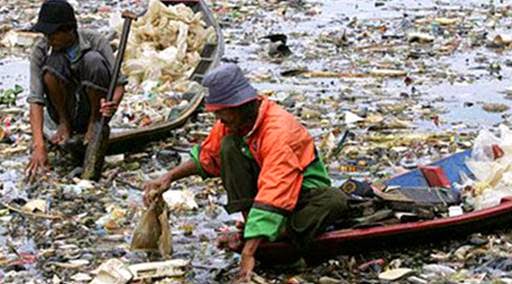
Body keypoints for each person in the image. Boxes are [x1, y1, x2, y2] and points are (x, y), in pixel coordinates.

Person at [143, 63, 348, 281]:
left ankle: (272, 232)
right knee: (228, 146)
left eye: (222, 113)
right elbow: (208, 157)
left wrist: (249, 252)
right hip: (268, 194)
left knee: (334, 200)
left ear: (241, 105)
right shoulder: (233, 123)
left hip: (301, 195)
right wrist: (169, 177)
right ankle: (258, 227)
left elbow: (275, 191)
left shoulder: (278, 132)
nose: (219, 120)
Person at [25, 0, 126, 179]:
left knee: (93, 60)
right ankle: (65, 124)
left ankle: (92, 124)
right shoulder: (42, 49)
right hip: (64, 109)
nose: (48, 39)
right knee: (52, 64)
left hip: (94, 109)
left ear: (69, 30)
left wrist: (112, 105)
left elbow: (118, 84)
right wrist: (39, 146)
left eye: (53, 34)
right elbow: (35, 99)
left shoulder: (95, 41)